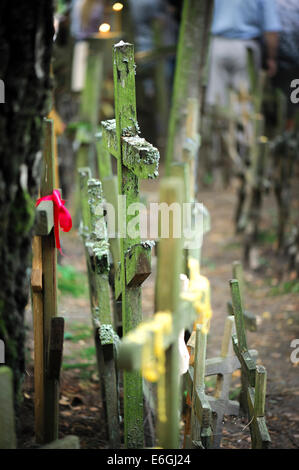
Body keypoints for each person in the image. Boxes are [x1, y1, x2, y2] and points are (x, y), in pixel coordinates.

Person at [206, 0, 282, 108]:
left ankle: (214, 123)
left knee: (216, 99)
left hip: (218, 44)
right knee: (243, 102)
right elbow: (271, 30)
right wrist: (271, 58)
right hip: (246, 47)